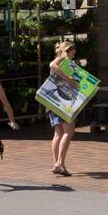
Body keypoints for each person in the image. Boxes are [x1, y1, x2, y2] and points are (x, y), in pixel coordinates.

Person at [48, 40, 83, 176]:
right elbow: (52, 65)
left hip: (54, 100)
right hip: (64, 102)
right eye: (73, 53)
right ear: (68, 50)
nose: (74, 56)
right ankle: (59, 163)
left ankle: (57, 163)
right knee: (69, 131)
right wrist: (69, 79)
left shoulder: (66, 63)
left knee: (58, 133)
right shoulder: (62, 60)